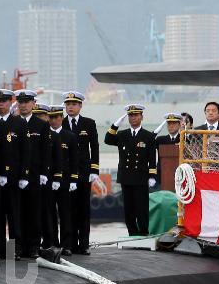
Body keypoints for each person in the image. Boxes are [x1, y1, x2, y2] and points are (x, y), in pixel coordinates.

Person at [105, 104, 157, 236]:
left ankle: (143, 232)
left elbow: (152, 157)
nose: (133, 118)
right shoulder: (122, 134)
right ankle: (132, 233)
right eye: (130, 115)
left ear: (141, 117)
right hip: (126, 177)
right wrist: (115, 125)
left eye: (136, 115)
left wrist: (152, 175)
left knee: (142, 208)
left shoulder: (148, 136)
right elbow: (107, 139)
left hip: (141, 177)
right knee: (128, 208)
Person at [61, 91, 99, 255]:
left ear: (80, 106)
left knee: (83, 209)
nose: (70, 107)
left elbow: (94, 147)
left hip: (84, 173)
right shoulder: (60, 123)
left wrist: (94, 169)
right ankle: (68, 244)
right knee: (67, 209)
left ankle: (83, 244)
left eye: (74, 104)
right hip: (66, 173)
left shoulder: (88, 123)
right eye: (68, 104)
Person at [15, 90, 51, 259]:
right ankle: (18, 246)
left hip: (35, 175)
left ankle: (34, 246)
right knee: (17, 212)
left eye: (26, 102)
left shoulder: (41, 125)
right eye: (21, 102)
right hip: (16, 175)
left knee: (34, 212)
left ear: (33, 104)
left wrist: (44, 172)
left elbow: (45, 151)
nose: (23, 105)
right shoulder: (13, 123)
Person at [0, 89, 22, 259]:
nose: (1, 104)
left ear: (10, 102)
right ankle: (0, 249)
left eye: (4, 101)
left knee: (13, 214)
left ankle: (14, 249)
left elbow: (24, 151)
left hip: (13, 178)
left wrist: (23, 175)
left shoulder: (18, 123)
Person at [47, 105, 77, 255]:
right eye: (51, 118)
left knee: (65, 213)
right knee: (50, 213)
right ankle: (53, 243)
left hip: (65, 180)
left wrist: (73, 179)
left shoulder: (69, 136)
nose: (53, 120)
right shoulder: (45, 135)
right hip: (49, 180)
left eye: (56, 117)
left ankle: (67, 245)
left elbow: (74, 160)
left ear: (61, 118)